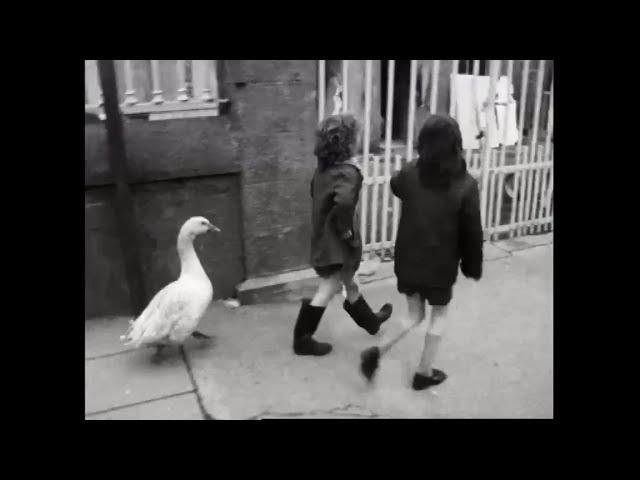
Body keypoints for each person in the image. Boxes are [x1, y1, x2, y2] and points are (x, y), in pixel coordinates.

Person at [390, 114, 483, 390]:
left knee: (412, 315)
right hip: (440, 267)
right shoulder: (466, 186)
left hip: (407, 260)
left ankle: (377, 350)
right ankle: (423, 372)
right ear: (456, 145)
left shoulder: (409, 173)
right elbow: (472, 233)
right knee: (438, 314)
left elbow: (395, 185)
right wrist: (472, 266)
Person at [292, 113, 393, 356]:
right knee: (328, 286)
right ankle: (302, 339)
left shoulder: (323, 171)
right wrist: (345, 230)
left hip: (325, 238)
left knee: (349, 280)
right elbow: (345, 202)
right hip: (336, 242)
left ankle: (371, 321)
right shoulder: (347, 172)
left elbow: (316, 195)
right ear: (347, 143)